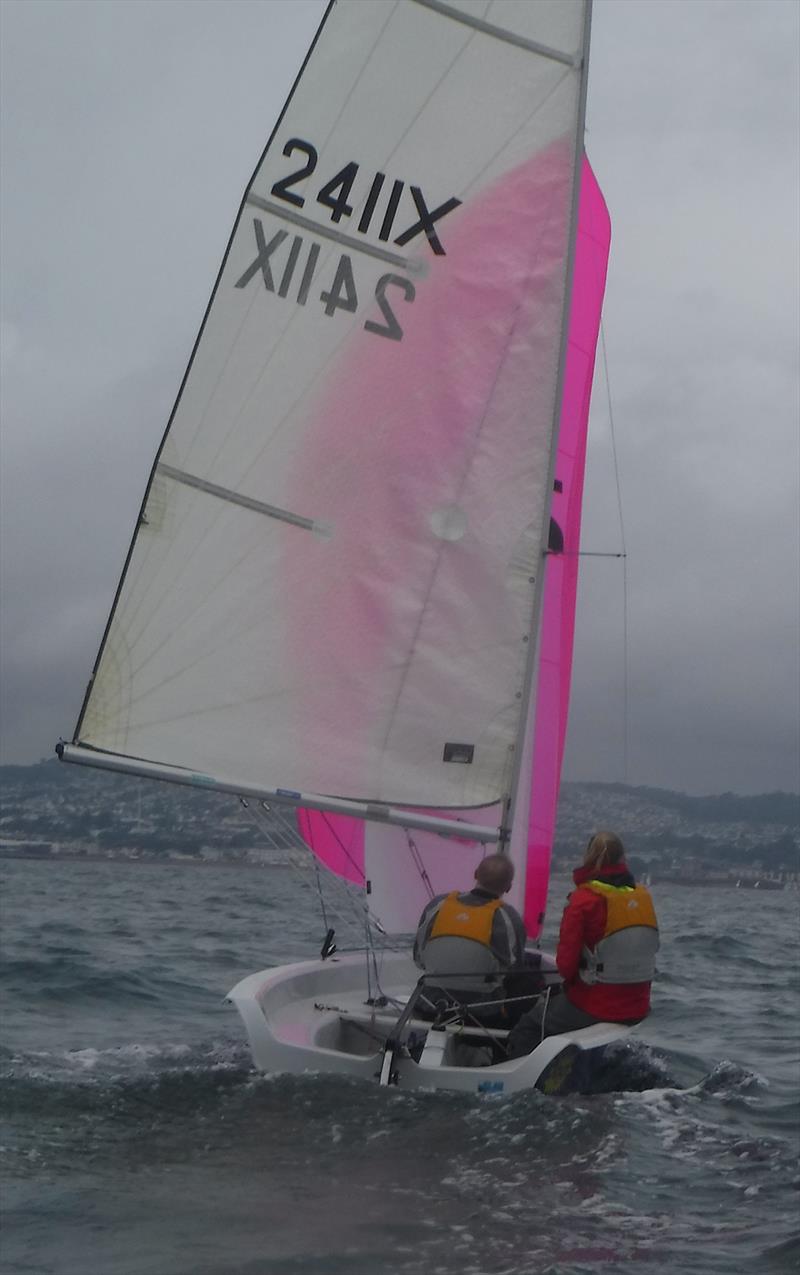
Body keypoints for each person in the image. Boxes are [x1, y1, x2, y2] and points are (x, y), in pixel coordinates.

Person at [507, 831, 659, 1057]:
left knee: (529, 1026)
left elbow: (566, 967)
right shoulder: (643, 896)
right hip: (638, 1005)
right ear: (622, 859)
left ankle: (512, 1081)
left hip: (597, 1006)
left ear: (588, 857)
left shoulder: (583, 900)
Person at [413, 853, 537, 1025]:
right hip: (480, 1015)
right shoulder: (508, 917)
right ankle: (508, 1046)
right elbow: (514, 971)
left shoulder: (437, 905)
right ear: (508, 887)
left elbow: (418, 960)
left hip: (428, 1007)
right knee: (530, 982)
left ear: (475, 874)